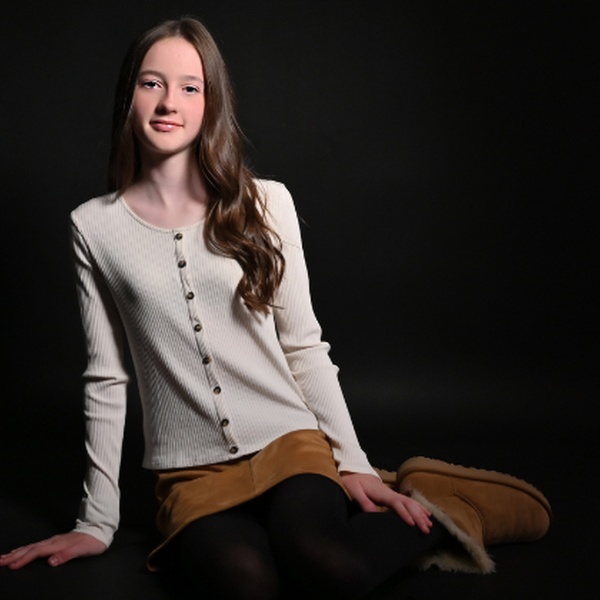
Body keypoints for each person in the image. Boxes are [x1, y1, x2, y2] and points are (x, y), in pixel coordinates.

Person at [0, 17, 551, 599]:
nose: (168, 103)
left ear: (211, 103)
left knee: (328, 565)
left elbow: (304, 345)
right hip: (191, 473)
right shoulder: (94, 227)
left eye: (190, 87)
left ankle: (447, 509)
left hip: (288, 442)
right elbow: (107, 378)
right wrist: (96, 521)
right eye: (151, 83)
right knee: (247, 583)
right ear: (128, 96)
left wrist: (353, 462)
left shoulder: (265, 203)